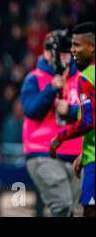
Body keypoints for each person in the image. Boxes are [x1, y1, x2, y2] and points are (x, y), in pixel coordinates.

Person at [21, 30, 82, 217]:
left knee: (75, 211)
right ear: (47, 53)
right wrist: (51, 89)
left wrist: (71, 111)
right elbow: (31, 110)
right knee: (62, 206)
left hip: (77, 156)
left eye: (67, 52)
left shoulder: (82, 78)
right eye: (59, 52)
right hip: (44, 153)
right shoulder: (35, 78)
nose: (64, 58)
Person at [50, 22, 95, 217]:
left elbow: (88, 121)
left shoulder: (86, 78)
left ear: (92, 47)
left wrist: (60, 138)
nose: (73, 50)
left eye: (77, 45)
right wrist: (82, 156)